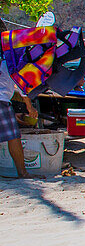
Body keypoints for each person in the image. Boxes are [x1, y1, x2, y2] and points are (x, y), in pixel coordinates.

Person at [0, 23, 39, 177]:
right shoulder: (7, 60)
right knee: (13, 136)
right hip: (2, 102)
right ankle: (22, 173)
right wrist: (30, 107)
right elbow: (21, 85)